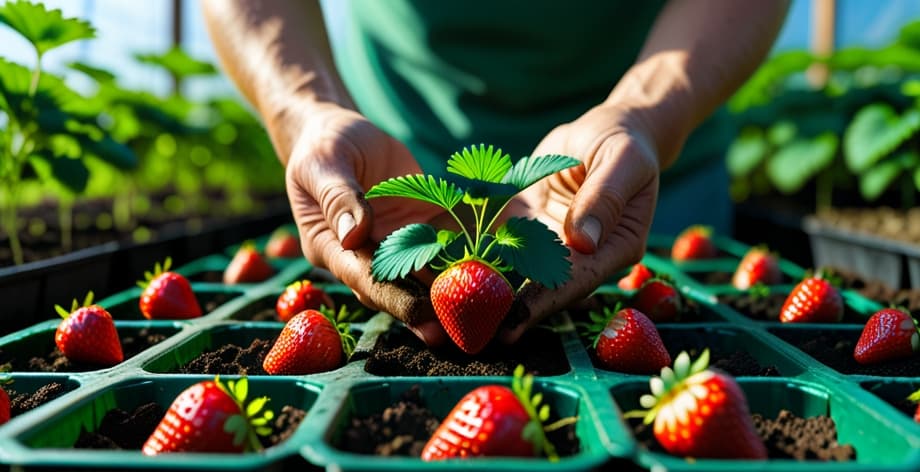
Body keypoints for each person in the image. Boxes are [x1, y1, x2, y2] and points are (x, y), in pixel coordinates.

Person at [201, 0, 790, 347]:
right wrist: (305, 110)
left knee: (680, 302)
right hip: (389, 159)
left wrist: (644, 115)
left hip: (634, 164)